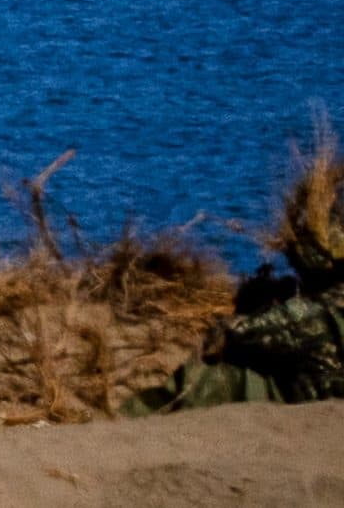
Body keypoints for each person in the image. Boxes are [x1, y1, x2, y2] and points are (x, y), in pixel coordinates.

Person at [125, 175, 344, 414]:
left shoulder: (313, 315)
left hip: (304, 404)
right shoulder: (323, 312)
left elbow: (232, 335)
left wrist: (248, 310)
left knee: (217, 374)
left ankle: (133, 417)